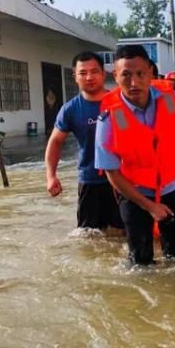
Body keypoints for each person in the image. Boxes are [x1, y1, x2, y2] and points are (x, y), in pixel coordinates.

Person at [95, 45, 175, 265]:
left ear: (150, 71)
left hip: (173, 188)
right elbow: (111, 172)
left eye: (140, 74)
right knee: (140, 263)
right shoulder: (108, 118)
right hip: (134, 195)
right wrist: (150, 207)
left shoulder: (172, 97)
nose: (134, 82)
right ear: (115, 76)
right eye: (126, 75)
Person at [45, 51, 122, 231]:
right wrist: (51, 176)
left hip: (123, 181)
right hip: (90, 182)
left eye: (94, 71)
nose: (89, 77)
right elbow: (55, 142)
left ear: (104, 74)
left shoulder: (120, 102)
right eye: (83, 73)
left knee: (124, 235)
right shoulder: (70, 109)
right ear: (75, 77)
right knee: (90, 239)